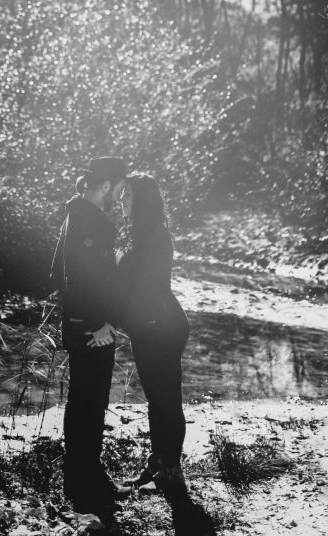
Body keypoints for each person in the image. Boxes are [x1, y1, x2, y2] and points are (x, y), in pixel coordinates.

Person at [50, 156, 129, 522]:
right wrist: (99, 323)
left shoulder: (75, 214)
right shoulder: (88, 221)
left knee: (85, 400)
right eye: (120, 187)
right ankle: (85, 484)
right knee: (90, 402)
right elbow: (84, 280)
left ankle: (85, 476)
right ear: (108, 184)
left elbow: (56, 271)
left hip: (83, 322)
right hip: (90, 327)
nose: (121, 195)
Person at [116, 172, 190, 491]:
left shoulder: (155, 236)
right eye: (122, 196)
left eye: (128, 197)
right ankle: (160, 461)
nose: (122, 201)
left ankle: (171, 468)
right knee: (156, 399)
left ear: (142, 201)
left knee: (166, 399)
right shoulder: (139, 233)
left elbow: (146, 287)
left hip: (162, 325)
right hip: (147, 326)